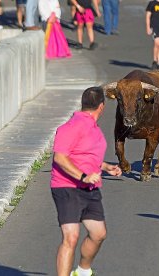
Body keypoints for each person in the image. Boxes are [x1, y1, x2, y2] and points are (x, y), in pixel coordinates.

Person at [50, 87, 122, 276]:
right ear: (101, 106)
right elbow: (60, 157)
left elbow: (85, 155)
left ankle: (82, 271)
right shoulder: (72, 126)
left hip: (89, 188)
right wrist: (83, 176)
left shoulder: (92, 127)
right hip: (67, 187)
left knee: (98, 234)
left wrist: (106, 167)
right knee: (71, 237)